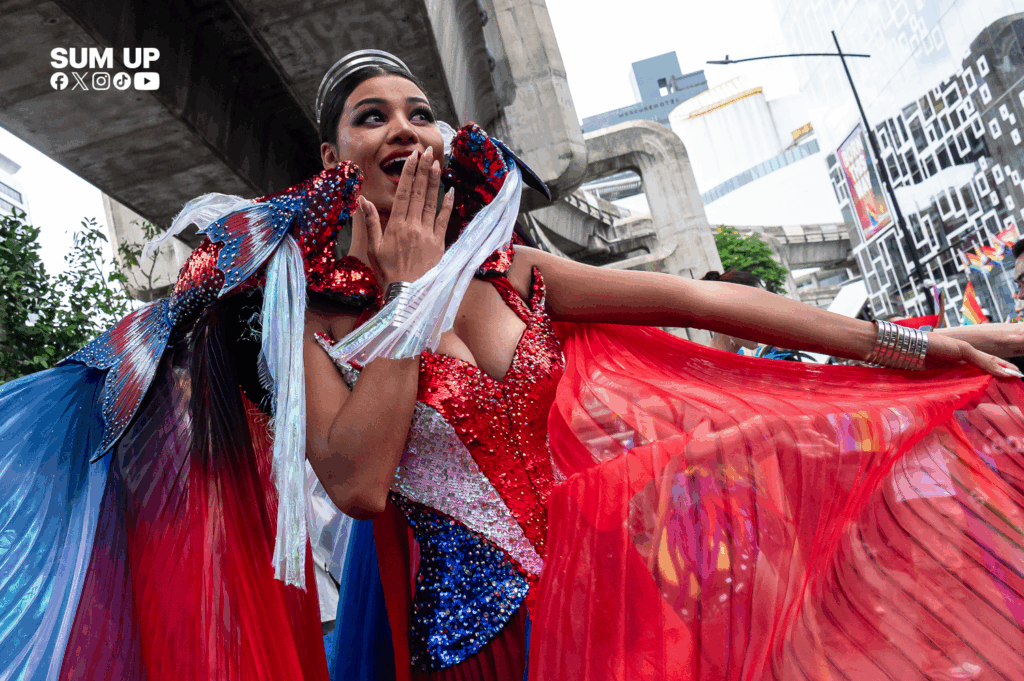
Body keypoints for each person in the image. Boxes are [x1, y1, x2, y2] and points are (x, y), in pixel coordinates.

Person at [4, 49, 1024, 681]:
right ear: (333, 162)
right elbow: (357, 486)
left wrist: (927, 348)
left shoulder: (511, 270)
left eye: (416, 109)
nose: (403, 124)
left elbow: (714, 302)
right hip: (478, 648)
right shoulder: (299, 311)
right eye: (372, 115)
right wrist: (408, 301)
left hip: (616, 603)